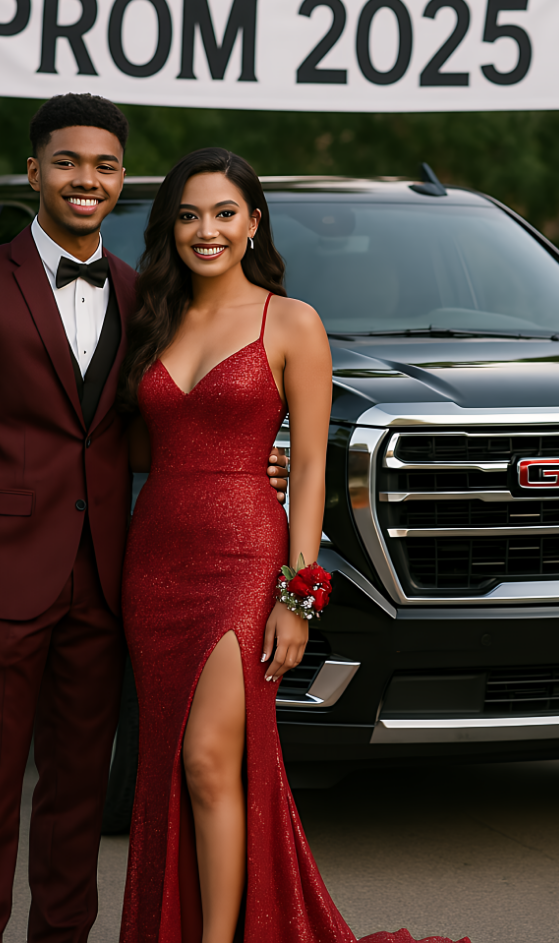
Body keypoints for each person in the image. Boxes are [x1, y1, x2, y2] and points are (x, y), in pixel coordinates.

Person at [0, 97, 288, 943]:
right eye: (70, 162)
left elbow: (151, 427)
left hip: (108, 589)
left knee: (77, 804)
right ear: (35, 170)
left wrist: (260, 454)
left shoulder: (138, 293)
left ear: (122, 180)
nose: (88, 179)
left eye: (106, 165)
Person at [117, 147, 469, 943]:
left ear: (253, 223)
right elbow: (139, 445)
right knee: (169, 760)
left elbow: (310, 464)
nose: (205, 230)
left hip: (243, 554)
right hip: (156, 558)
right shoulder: (154, 318)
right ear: (170, 228)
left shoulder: (292, 321)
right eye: (187, 215)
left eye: (222, 213)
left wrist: (296, 592)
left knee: (212, 758)